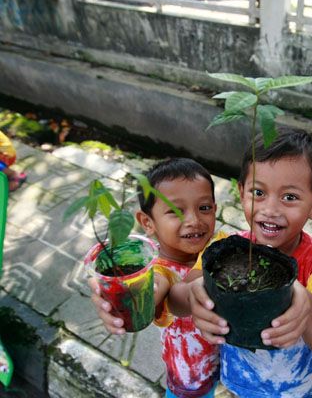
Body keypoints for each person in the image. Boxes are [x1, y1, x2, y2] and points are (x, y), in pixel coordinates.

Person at [183, 127, 312, 397]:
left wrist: (302, 300)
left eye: (289, 197)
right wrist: (194, 294)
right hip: (235, 387)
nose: (270, 209)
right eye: (258, 192)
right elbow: (185, 291)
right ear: (241, 191)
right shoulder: (224, 252)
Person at [89, 158, 226, 398]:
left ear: (215, 208)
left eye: (204, 207)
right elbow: (152, 290)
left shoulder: (221, 245)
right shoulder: (159, 271)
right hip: (190, 378)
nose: (194, 220)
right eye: (175, 211)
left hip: (229, 362)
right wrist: (120, 302)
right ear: (147, 222)